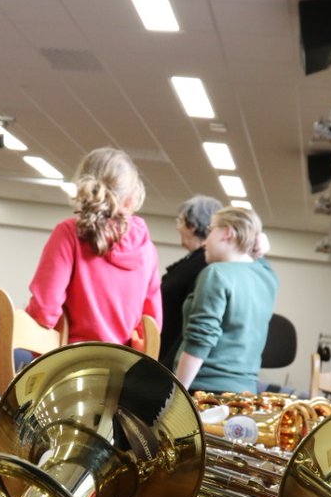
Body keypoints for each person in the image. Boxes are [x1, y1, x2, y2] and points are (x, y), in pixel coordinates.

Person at [26, 147, 161, 345]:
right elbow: (150, 328)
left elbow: (44, 312)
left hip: (71, 363)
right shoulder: (147, 250)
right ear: (131, 199)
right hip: (122, 368)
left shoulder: (69, 233)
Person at [174, 206, 279, 393]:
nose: (205, 243)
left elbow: (200, 341)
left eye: (210, 231)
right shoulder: (268, 277)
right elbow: (259, 261)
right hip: (246, 393)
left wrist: (176, 393)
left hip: (204, 392)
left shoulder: (216, 273)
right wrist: (261, 248)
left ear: (227, 232)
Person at [157, 195, 222, 371]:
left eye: (180, 222)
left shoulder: (203, 264)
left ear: (192, 226)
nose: (178, 228)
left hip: (172, 359)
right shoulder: (193, 260)